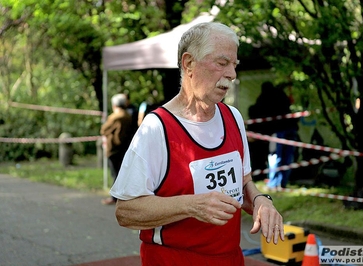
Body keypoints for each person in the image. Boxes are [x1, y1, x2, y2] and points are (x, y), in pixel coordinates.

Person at [110, 22, 284, 265]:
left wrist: (259, 200)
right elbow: (126, 212)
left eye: (234, 65)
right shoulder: (157, 128)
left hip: (230, 259)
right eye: (222, 63)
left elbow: (242, 184)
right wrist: (192, 205)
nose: (232, 74)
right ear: (189, 63)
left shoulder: (232, 117)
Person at [250, 82, 299, 189]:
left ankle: (273, 183)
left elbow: (259, 114)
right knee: (287, 158)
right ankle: (282, 183)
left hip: (277, 131)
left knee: (275, 156)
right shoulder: (282, 95)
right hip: (290, 128)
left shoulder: (264, 98)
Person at [100, 93, 134, 205]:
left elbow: (104, 130)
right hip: (126, 148)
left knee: (115, 174)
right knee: (123, 173)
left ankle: (115, 197)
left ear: (114, 105)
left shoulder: (114, 117)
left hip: (114, 149)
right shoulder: (128, 116)